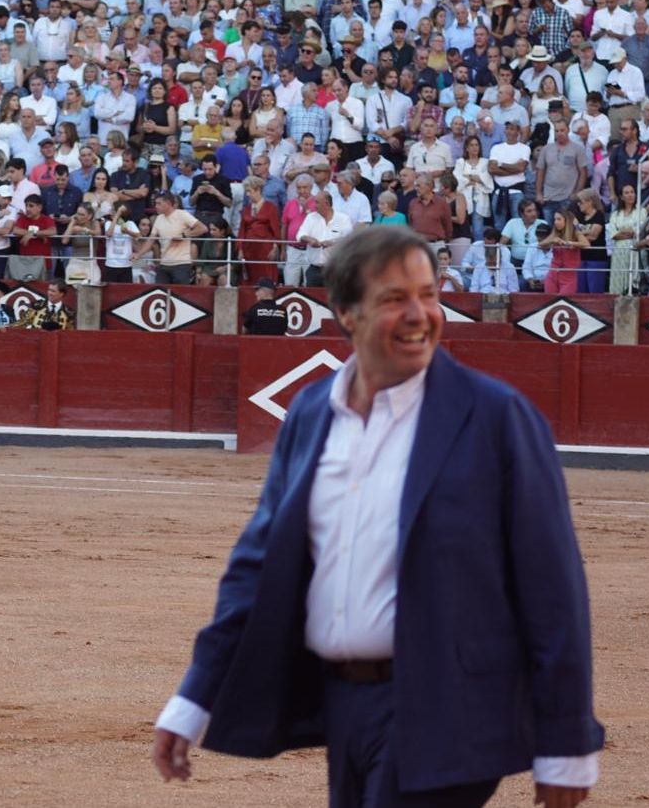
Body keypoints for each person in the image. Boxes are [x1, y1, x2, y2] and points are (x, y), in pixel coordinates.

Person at [153, 225, 602, 808]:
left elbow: (553, 588)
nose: (420, 314)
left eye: (430, 294)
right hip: (344, 705)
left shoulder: (496, 418)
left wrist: (566, 742)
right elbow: (257, 567)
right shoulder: (314, 413)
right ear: (346, 312)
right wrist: (195, 698)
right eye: (394, 299)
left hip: (447, 706)